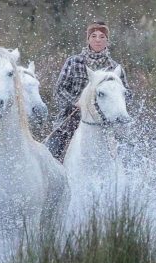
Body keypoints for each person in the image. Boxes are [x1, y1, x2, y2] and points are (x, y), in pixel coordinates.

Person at [45, 21, 131, 162]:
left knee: (128, 152)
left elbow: (127, 94)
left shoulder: (114, 67)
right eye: (94, 36)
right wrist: (75, 102)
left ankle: (130, 178)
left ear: (107, 41)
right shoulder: (73, 62)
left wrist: (116, 105)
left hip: (106, 120)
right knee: (52, 151)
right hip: (72, 118)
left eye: (102, 36)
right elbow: (59, 90)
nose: (98, 40)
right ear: (88, 39)